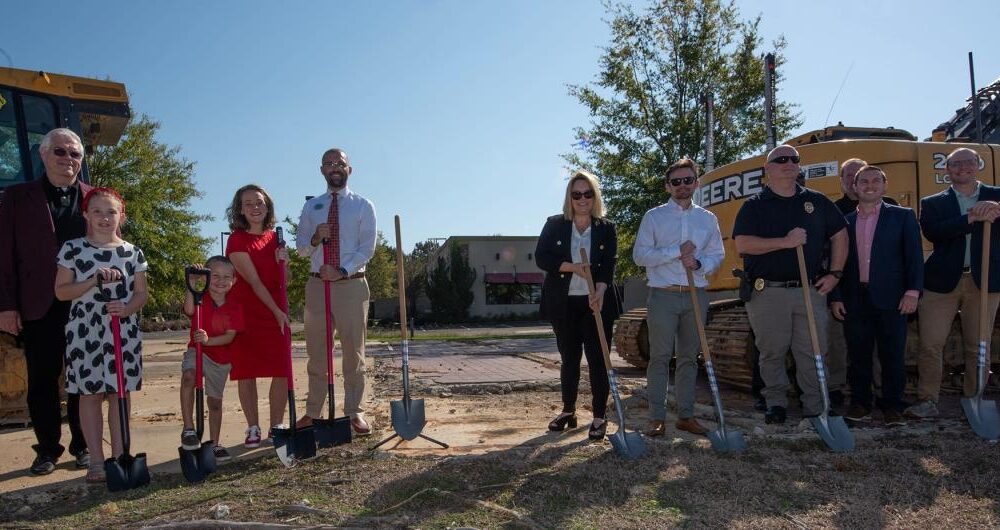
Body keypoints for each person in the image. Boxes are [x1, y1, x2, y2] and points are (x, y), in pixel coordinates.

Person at [733, 145, 848, 425]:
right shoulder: (755, 205)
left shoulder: (817, 202)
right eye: (780, 159)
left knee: (813, 350)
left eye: (794, 159)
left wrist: (835, 273)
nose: (788, 163)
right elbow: (743, 244)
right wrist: (785, 242)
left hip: (809, 290)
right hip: (768, 292)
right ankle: (775, 403)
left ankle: (815, 405)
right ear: (767, 169)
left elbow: (841, 234)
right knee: (772, 351)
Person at [0, 128, 90, 475]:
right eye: (61, 152)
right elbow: (4, 256)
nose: (68, 159)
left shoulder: (94, 197)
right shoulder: (16, 198)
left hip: (84, 304)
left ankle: (84, 445)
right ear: (44, 154)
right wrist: (7, 306)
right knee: (42, 380)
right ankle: (48, 450)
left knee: (84, 379)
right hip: (38, 304)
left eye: (75, 154)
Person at [54, 187, 149, 484]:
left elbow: (141, 294)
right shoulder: (72, 249)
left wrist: (127, 308)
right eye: (97, 211)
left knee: (120, 395)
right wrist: (93, 280)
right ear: (86, 214)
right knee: (90, 394)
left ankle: (120, 456)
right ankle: (96, 460)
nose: (105, 218)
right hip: (86, 330)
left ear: (122, 215)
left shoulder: (133, 252)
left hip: (122, 330)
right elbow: (61, 291)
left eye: (111, 212)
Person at [634, 158, 724, 437]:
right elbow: (640, 256)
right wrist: (676, 251)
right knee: (660, 357)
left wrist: (699, 264)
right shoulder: (654, 217)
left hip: (695, 295)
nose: (682, 186)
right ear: (667, 186)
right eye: (676, 182)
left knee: (688, 358)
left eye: (688, 180)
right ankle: (656, 418)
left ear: (696, 183)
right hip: (663, 295)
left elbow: (717, 254)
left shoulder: (707, 219)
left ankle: (686, 416)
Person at [907, 147, 1000, 419]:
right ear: (946, 170)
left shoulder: (996, 195)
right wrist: (970, 218)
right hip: (941, 282)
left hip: (985, 281)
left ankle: (974, 398)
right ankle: (927, 400)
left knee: (978, 344)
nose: (962, 168)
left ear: (977, 165)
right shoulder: (933, 202)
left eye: (968, 163)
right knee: (931, 344)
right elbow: (935, 232)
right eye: (955, 165)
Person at [829, 166, 922, 426]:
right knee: (858, 355)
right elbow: (835, 264)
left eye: (875, 180)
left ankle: (892, 406)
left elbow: (914, 258)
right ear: (854, 187)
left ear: (884, 185)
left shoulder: (903, 217)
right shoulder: (844, 222)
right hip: (855, 299)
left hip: (893, 299)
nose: (870, 185)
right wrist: (836, 296)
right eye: (863, 181)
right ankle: (860, 404)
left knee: (892, 355)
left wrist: (913, 292)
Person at [295, 149, 376, 436]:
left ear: (349, 170)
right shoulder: (312, 207)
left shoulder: (363, 206)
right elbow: (302, 248)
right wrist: (317, 237)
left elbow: (367, 249)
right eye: (329, 164)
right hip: (318, 286)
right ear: (322, 170)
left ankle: (354, 411)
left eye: (339, 163)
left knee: (354, 352)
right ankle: (313, 411)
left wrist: (341, 270)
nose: (334, 168)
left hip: (351, 285)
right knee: (317, 352)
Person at [535, 170, 619, 440]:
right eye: (576, 194)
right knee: (569, 359)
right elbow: (541, 257)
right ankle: (568, 411)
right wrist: (573, 267)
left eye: (587, 193)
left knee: (598, 359)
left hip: (596, 302)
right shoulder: (555, 224)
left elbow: (608, 266)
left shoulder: (606, 228)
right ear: (569, 198)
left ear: (595, 196)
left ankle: (598, 416)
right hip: (564, 302)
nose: (582, 199)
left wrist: (601, 289)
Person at [225, 184, 290, 447]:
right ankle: (253, 427)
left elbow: (286, 280)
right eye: (249, 203)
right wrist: (277, 312)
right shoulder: (237, 240)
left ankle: (276, 426)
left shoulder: (277, 238)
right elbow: (254, 282)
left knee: (282, 369)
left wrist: (283, 261)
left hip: (276, 310)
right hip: (248, 311)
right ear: (240, 209)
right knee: (246, 371)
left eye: (260, 202)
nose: (255, 207)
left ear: (267, 206)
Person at [179, 256, 243, 462]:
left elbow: (229, 337)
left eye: (227, 277)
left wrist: (208, 341)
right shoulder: (200, 298)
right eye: (214, 276)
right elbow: (189, 310)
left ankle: (214, 443)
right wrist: (192, 283)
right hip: (197, 351)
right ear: (206, 277)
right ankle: (189, 429)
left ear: (233, 280)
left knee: (215, 402)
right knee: (188, 377)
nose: (221, 281)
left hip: (220, 358)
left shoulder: (235, 307)